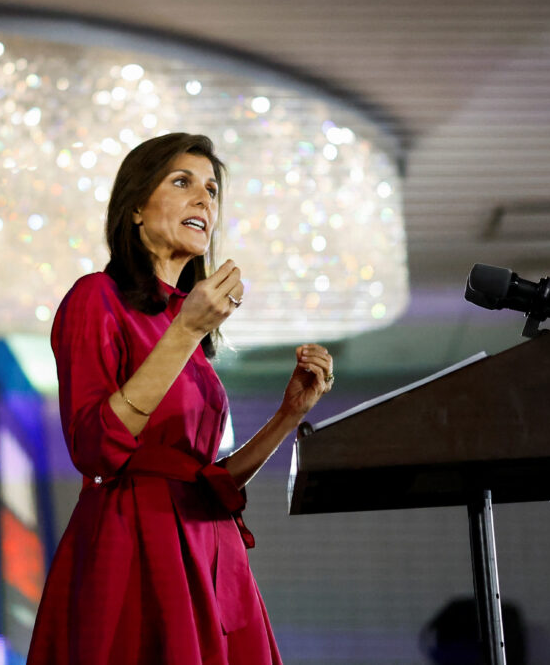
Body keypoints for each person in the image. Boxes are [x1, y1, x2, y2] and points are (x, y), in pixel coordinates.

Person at [27, 132, 334, 664]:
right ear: (135, 209)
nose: (204, 200)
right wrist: (187, 330)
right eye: (182, 182)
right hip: (133, 544)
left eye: (211, 190)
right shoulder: (96, 297)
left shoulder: (187, 328)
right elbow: (94, 449)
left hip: (208, 548)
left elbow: (206, 479)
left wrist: (290, 415)